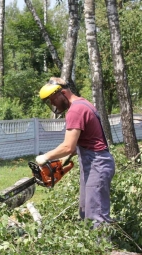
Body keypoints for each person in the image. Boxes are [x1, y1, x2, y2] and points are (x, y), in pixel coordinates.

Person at [36, 77, 115, 229]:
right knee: (86, 211)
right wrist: (59, 164)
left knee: (96, 216)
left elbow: (68, 147)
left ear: (63, 93)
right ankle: (92, 248)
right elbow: (81, 143)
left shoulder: (75, 110)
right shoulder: (82, 103)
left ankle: (103, 250)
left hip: (97, 165)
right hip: (95, 164)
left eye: (52, 99)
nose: (52, 104)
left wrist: (45, 157)